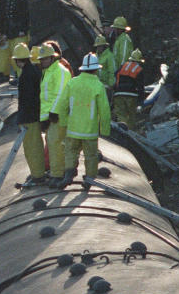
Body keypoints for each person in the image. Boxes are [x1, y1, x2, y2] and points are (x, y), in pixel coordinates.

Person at [53, 52, 111, 189]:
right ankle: (89, 179)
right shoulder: (98, 86)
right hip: (90, 130)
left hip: (73, 129)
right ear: (96, 69)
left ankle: (68, 175)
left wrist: (64, 123)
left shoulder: (72, 83)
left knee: (70, 152)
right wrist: (105, 130)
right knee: (91, 155)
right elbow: (105, 111)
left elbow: (62, 105)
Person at [12, 43, 46, 186]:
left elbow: (25, 99)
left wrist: (21, 117)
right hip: (34, 115)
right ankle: (37, 173)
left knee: (32, 147)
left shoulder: (26, 75)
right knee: (35, 145)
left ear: (18, 60)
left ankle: (37, 175)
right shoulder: (34, 71)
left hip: (29, 117)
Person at [38, 42, 71, 186]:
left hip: (58, 115)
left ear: (52, 58)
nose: (43, 61)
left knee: (56, 144)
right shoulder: (48, 72)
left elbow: (61, 93)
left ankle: (58, 174)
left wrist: (53, 112)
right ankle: (56, 172)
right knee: (53, 144)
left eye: (45, 59)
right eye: (41, 59)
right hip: (49, 116)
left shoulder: (61, 71)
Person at [0, 0, 29, 80]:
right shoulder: (5, 3)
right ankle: (18, 75)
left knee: (21, 55)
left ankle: (23, 76)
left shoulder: (21, 0)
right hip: (10, 34)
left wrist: (23, 30)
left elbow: (25, 17)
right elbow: (4, 19)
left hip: (20, 33)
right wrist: (4, 33)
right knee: (14, 57)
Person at [113, 49, 146, 131]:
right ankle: (129, 133)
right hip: (132, 95)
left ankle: (120, 131)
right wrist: (141, 102)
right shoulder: (139, 69)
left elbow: (115, 76)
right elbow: (140, 87)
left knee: (121, 115)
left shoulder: (123, 66)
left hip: (118, 94)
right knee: (131, 116)